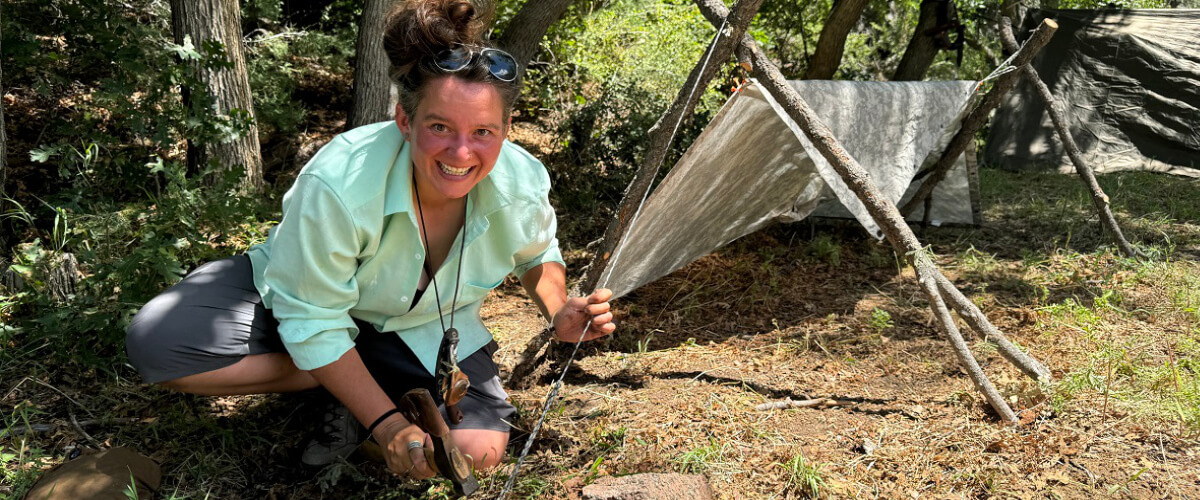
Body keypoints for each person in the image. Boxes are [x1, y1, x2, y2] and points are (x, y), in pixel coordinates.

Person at [124, 0, 616, 480]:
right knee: (161, 346)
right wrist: (388, 424)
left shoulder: (523, 180)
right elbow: (311, 315)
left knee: (475, 455)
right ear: (405, 121)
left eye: (483, 132)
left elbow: (537, 252)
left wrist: (558, 310)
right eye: (439, 126)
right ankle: (344, 385)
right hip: (304, 297)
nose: (461, 152)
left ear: (507, 129)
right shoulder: (340, 179)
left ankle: (354, 385)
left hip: (422, 327)